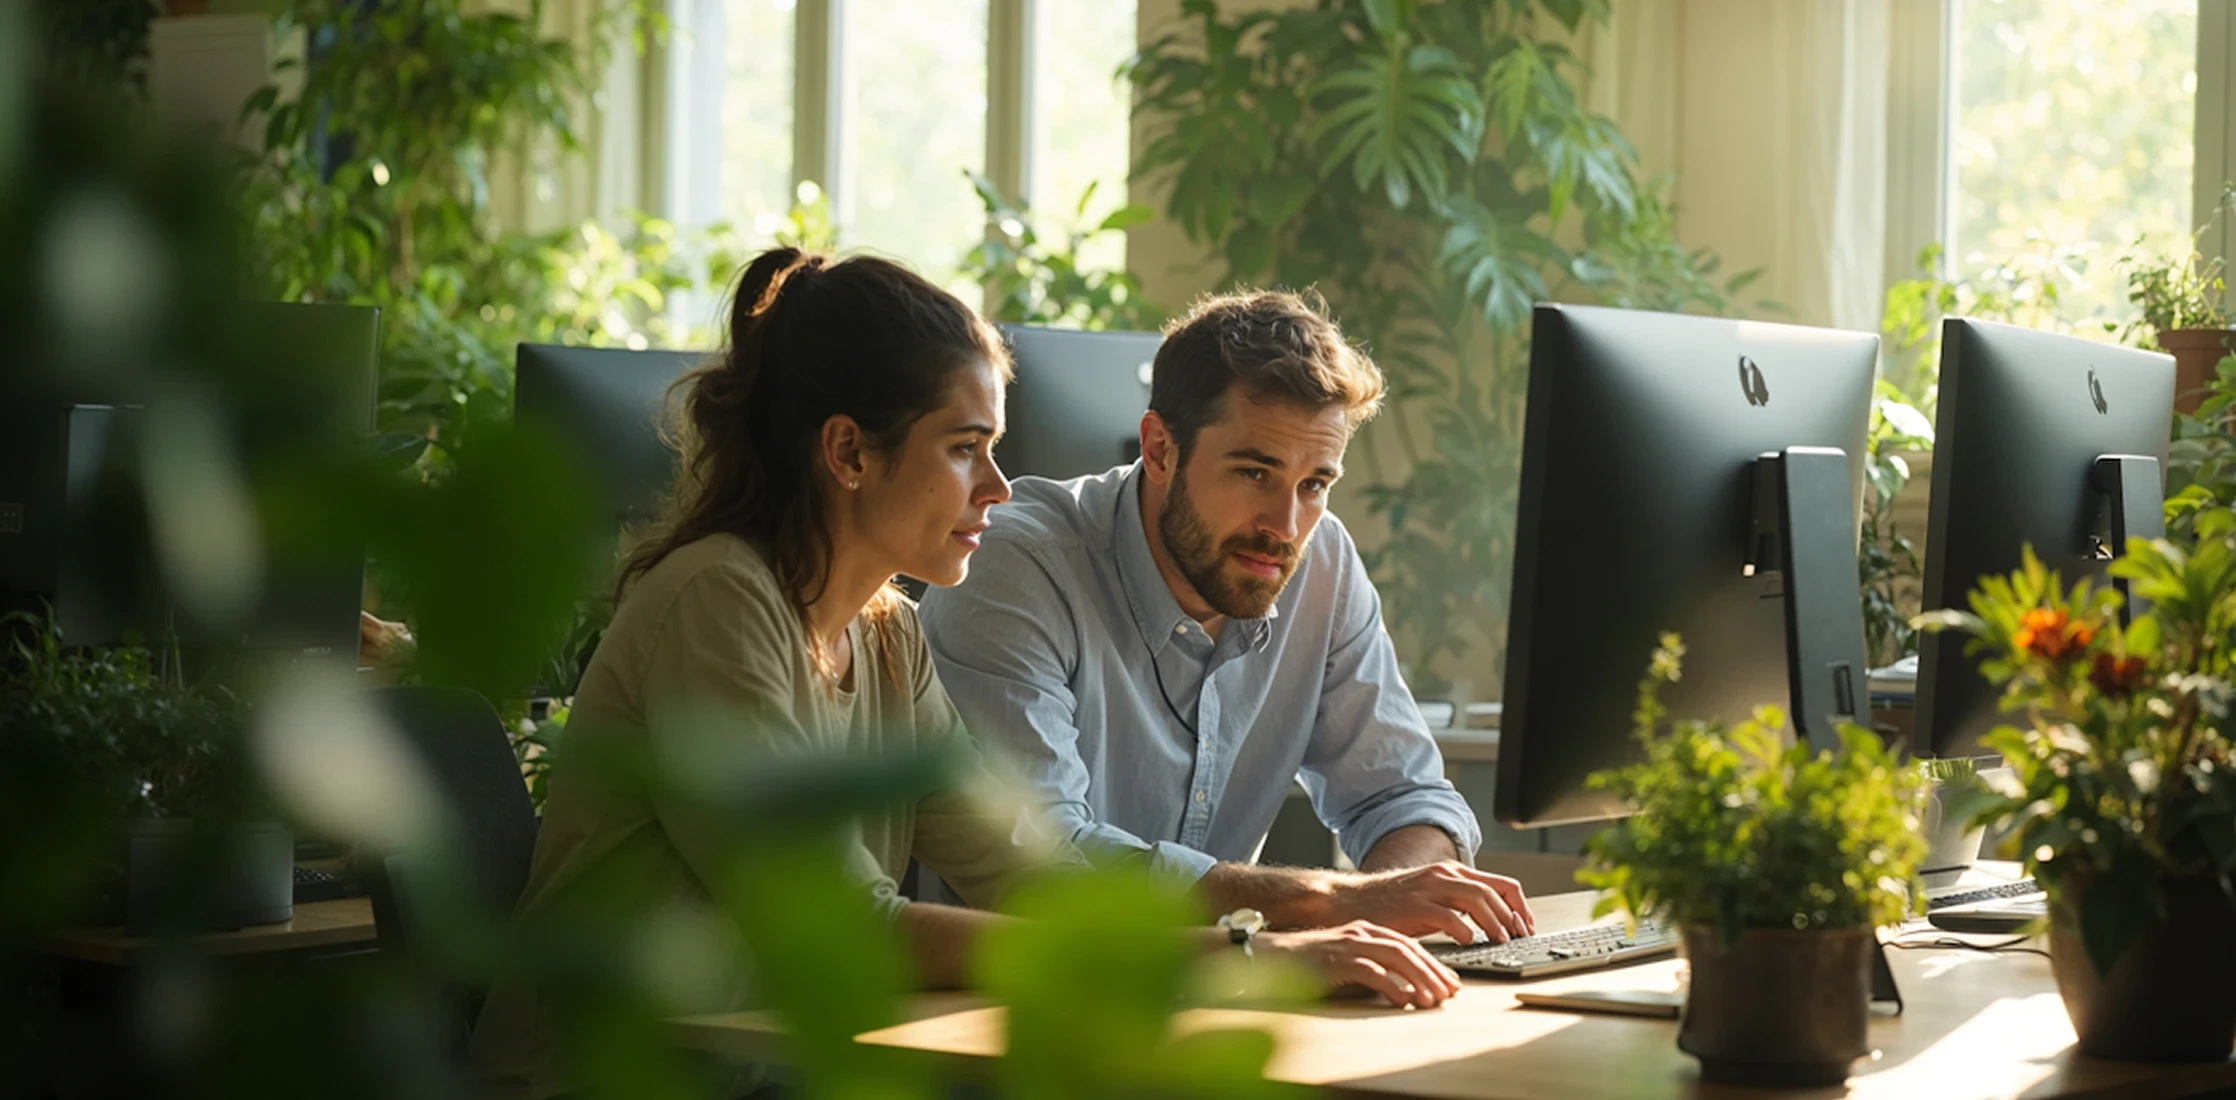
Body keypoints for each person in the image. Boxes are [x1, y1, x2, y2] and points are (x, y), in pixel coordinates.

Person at [468, 253, 1467, 1100]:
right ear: (848, 451)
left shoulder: (889, 633)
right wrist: (1250, 952)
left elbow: (1033, 867)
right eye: (965, 449)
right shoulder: (718, 601)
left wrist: (1274, 941)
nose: (996, 486)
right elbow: (850, 924)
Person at [918, 289, 1535, 948]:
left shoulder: (1319, 561)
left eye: (1315, 484)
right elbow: (1043, 864)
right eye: (1253, 472)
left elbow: (1404, 797)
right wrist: (1328, 902)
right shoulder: (1014, 567)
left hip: (1220, 991)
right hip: (1009, 1015)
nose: (1285, 525)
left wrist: (1388, 913)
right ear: (1158, 449)